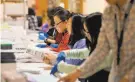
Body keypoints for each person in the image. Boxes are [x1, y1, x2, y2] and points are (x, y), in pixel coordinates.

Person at [58, 0, 135, 82]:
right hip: (116, 76)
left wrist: (128, 78)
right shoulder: (109, 12)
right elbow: (101, 50)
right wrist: (77, 73)